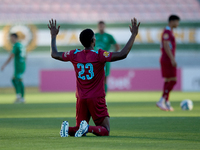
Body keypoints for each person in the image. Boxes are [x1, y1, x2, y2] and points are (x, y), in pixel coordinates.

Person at [47, 18, 140, 137]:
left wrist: (53, 36)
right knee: (105, 129)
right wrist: (133, 35)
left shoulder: (74, 54)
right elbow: (122, 54)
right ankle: (88, 128)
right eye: (94, 38)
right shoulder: (99, 55)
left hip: (81, 98)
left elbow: (54, 54)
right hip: (96, 98)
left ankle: (68, 129)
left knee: (78, 128)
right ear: (92, 41)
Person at [156, 15, 180, 111]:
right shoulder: (167, 32)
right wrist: (172, 59)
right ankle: (161, 100)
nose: (178, 24)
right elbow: (166, 45)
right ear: (172, 21)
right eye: (177, 22)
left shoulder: (168, 31)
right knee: (173, 80)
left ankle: (167, 102)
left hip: (166, 58)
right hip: (168, 59)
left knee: (167, 80)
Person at [95, 21, 120, 93]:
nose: (101, 27)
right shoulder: (94, 35)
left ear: (104, 26)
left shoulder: (109, 36)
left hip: (105, 60)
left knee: (105, 78)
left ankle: (103, 97)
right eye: (100, 26)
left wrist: (110, 55)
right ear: (98, 26)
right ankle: (96, 96)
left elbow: (117, 46)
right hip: (95, 59)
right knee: (95, 78)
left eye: (102, 26)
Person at [1, 33, 26, 103]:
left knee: (19, 80)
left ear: (15, 38)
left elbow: (11, 56)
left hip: (19, 66)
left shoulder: (16, 45)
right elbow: (25, 55)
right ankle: (19, 96)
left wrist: (4, 65)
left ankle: (21, 97)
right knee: (14, 79)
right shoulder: (21, 45)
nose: (11, 40)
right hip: (22, 64)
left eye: (12, 38)